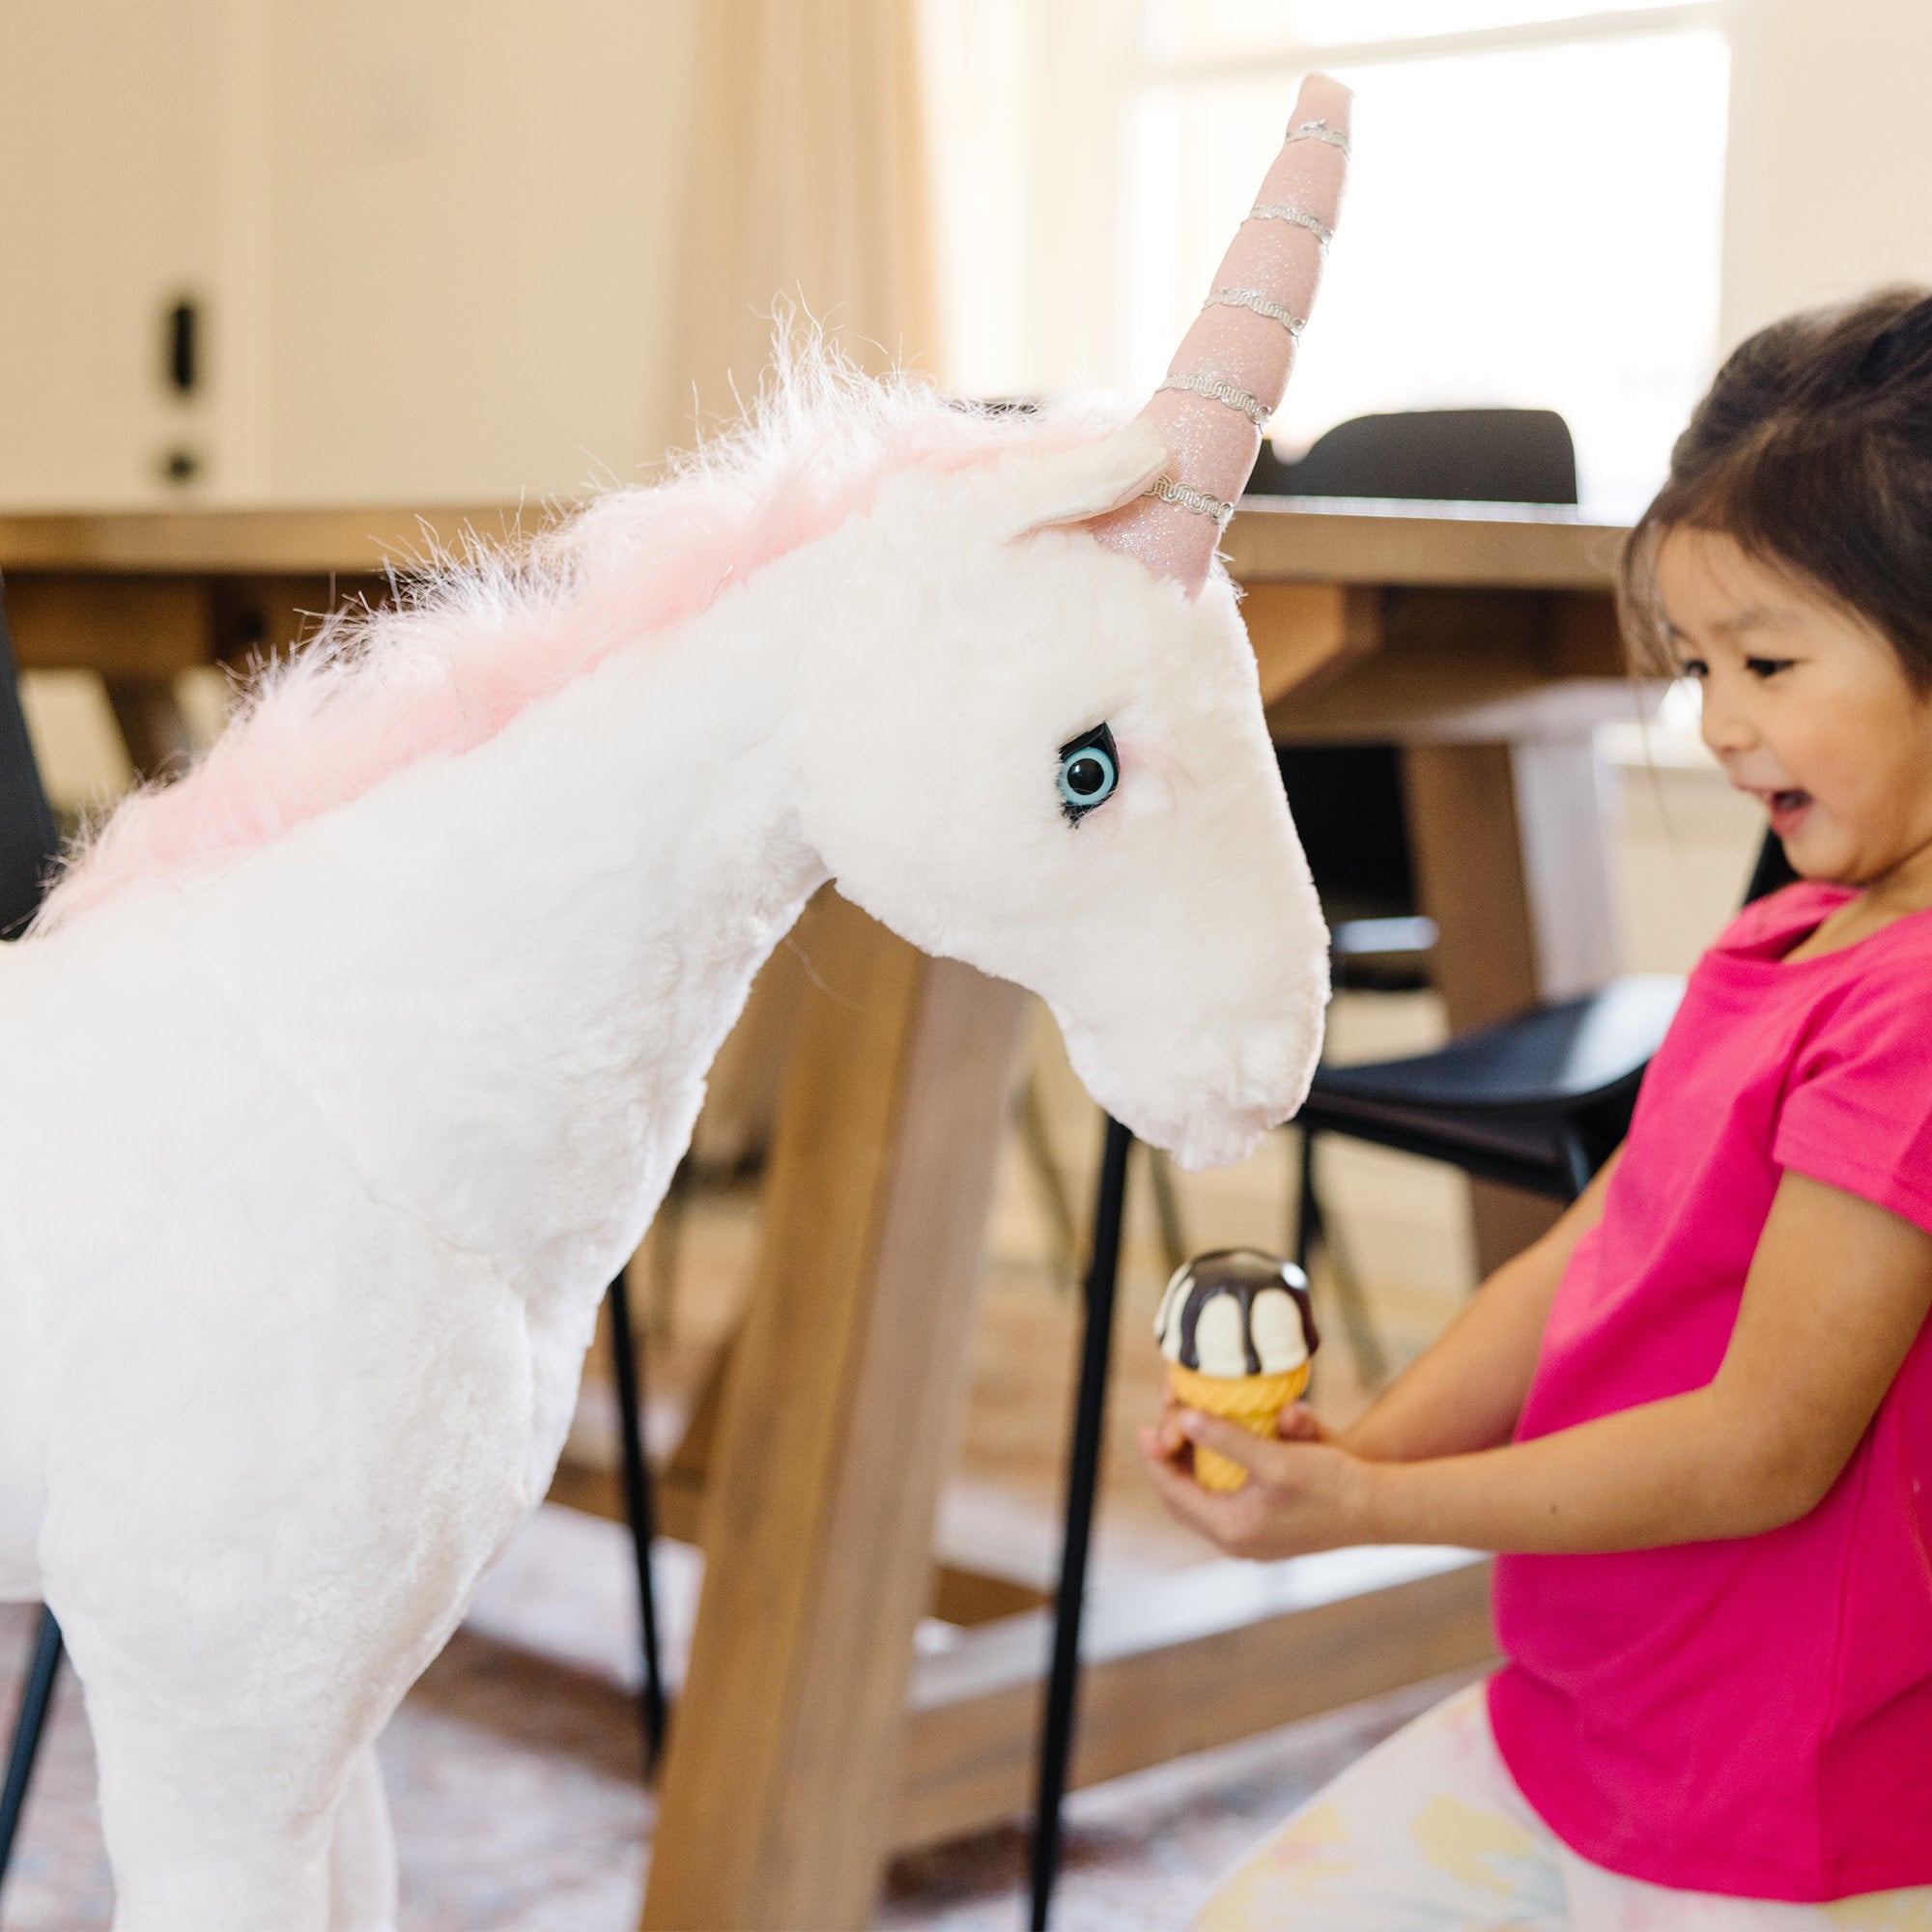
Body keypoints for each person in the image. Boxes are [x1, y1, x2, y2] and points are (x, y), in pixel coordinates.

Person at [1144, 288, 1932, 1928]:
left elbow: (1764, 1450)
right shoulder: (1789, 936)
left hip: (1773, 1814)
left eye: (1768, 662)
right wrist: (1347, 1455)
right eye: (1700, 666)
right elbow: (1590, 1251)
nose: (1719, 722)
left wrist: (1375, 1511)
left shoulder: (1912, 1018)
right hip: (1587, 1717)